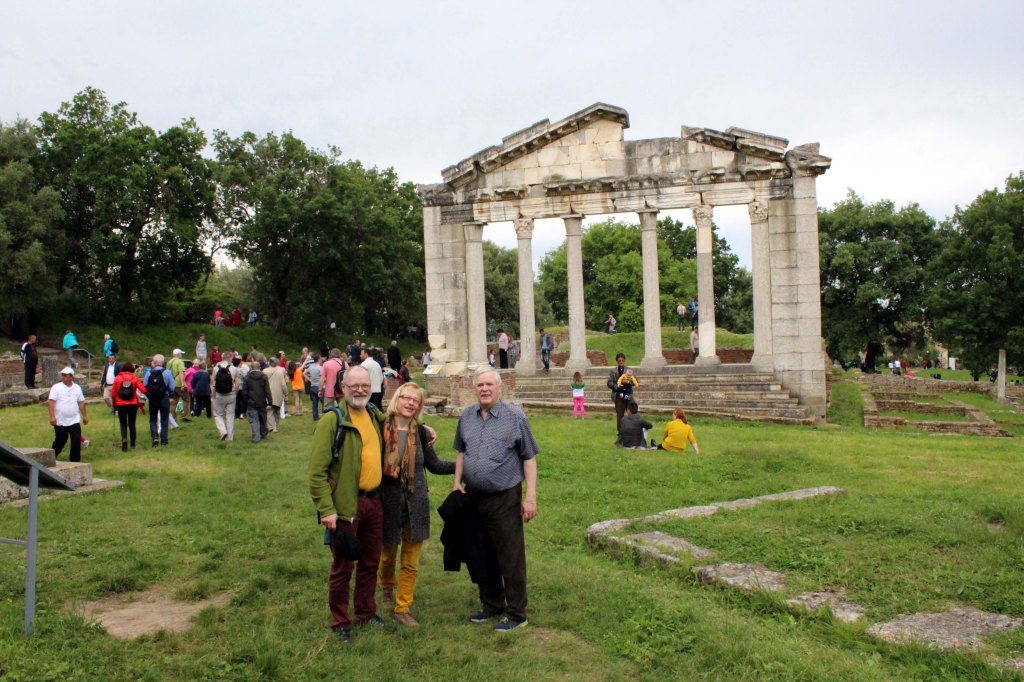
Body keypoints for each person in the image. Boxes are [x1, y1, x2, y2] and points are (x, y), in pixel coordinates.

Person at [452, 368, 539, 632]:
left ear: (500, 388)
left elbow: (529, 457)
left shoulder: (515, 417)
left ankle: (517, 612)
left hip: (504, 496)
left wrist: (530, 497)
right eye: (480, 385)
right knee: (482, 551)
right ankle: (492, 604)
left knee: (509, 555)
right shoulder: (467, 416)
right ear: (474, 388)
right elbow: (461, 452)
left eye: (489, 384)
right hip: (473, 496)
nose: (484, 389)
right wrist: (456, 482)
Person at [309, 365, 388, 644]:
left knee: (370, 563)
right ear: (343, 388)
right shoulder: (332, 421)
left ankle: (365, 613)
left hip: (374, 502)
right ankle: (340, 621)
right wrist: (327, 509)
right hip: (345, 507)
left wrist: (423, 428)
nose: (360, 390)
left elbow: (401, 420)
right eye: (354, 385)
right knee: (343, 567)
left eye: (365, 385)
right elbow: (316, 472)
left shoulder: (374, 414)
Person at [378, 382, 455, 628]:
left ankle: (403, 607)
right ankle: (386, 586)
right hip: (388, 504)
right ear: (397, 399)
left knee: (410, 561)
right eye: (407, 398)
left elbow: (435, 465)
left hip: (416, 505)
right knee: (387, 556)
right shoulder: (379, 428)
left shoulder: (421, 433)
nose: (411, 403)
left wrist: (464, 465)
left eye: (416, 400)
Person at [48, 367, 88, 462]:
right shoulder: (56, 387)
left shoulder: (77, 388)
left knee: (76, 440)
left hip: (74, 419)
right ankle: (51, 457)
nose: (63, 377)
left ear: (71, 376)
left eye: (65, 375)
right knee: (60, 440)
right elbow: (51, 402)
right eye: (62, 375)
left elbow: (81, 402)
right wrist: (52, 416)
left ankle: (75, 461)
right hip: (60, 420)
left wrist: (84, 416)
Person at [111, 362, 146, 451]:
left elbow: (113, 393)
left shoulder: (117, 378)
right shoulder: (134, 378)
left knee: (123, 423)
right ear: (131, 369)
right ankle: (133, 444)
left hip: (120, 404)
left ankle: (124, 440)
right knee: (132, 424)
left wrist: (114, 402)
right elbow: (143, 390)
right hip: (132, 404)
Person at [145, 355, 175, 447]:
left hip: (153, 399)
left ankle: (155, 436)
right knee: (164, 419)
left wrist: (149, 395)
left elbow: (145, 385)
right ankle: (164, 441)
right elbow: (172, 386)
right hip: (164, 398)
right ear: (163, 362)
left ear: (154, 362)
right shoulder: (168, 372)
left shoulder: (149, 372)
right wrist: (171, 395)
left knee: (153, 419)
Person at [212, 353, 240, 441]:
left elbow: (213, 384)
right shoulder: (234, 369)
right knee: (230, 416)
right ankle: (230, 437)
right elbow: (237, 384)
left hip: (219, 395)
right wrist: (235, 393)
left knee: (217, 414)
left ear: (222, 358)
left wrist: (213, 396)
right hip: (231, 394)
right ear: (230, 358)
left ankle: (223, 431)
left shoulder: (215, 368)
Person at [242, 361, 272, 442]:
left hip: (251, 401)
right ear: (259, 367)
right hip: (262, 401)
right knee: (263, 419)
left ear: (251, 367)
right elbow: (267, 390)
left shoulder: (247, 377)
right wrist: (270, 401)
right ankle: (263, 435)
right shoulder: (264, 376)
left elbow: (244, 391)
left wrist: (245, 401)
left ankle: (256, 437)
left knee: (254, 420)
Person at [607, 353, 630, 435]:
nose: (621, 362)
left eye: (622, 360)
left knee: (631, 412)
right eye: (619, 360)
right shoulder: (613, 371)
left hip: (628, 394)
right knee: (620, 414)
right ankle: (620, 432)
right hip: (618, 395)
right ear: (617, 361)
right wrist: (617, 386)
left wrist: (628, 383)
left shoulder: (628, 370)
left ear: (624, 361)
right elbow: (609, 383)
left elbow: (634, 381)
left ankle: (630, 430)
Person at [265, 358, 289, 433]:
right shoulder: (279, 372)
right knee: (276, 411)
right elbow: (283, 384)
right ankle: (275, 426)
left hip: (267, 393)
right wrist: (286, 393)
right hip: (278, 393)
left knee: (269, 411)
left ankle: (271, 427)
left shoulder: (264, 371)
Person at [168, 349, 189, 424]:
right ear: (178, 354)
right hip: (179, 383)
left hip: (171, 384)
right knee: (186, 399)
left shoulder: (169, 362)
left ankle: (173, 418)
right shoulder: (179, 361)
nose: (181, 355)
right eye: (181, 353)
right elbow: (181, 373)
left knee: (174, 402)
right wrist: (183, 384)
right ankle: (183, 416)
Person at [361, 346, 385, 411]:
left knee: (367, 408)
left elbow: (360, 378)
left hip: (367, 390)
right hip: (377, 389)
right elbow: (381, 378)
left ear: (366, 354)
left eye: (361, 354)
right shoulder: (377, 364)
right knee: (375, 407)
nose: (360, 356)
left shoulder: (364, 364)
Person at [305, 353, 323, 421]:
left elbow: (304, 373)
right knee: (323, 403)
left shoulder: (310, 367)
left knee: (314, 403)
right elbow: (323, 377)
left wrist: (310, 379)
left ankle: (315, 417)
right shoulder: (320, 368)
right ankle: (324, 416)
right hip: (319, 387)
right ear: (318, 359)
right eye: (320, 358)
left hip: (312, 387)